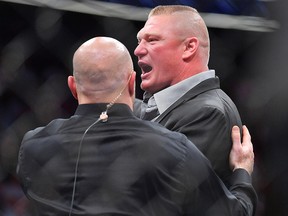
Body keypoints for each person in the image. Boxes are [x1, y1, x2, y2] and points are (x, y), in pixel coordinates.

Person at [16, 36, 256, 215]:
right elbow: (234, 212)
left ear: (72, 87)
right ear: (132, 82)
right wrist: (242, 172)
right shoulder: (172, 149)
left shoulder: (33, 145)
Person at [134, 5, 243, 185]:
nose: (138, 50)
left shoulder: (207, 113)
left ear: (189, 47)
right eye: (139, 41)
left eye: (152, 40)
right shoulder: (176, 105)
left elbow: (165, 194)